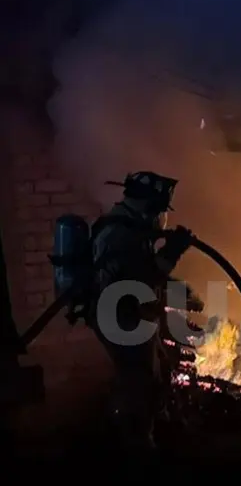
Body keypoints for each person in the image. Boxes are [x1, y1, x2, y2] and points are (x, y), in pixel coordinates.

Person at [90, 171, 193, 454]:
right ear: (147, 205)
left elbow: (143, 274)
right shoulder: (120, 234)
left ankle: (151, 431)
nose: (160, 216)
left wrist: (178, 289)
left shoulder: (131, 227)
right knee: (138, 379)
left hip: (133, 315)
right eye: (159, 209)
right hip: (120, 317)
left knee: (153, 371)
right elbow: (142, 280)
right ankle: (136, 446)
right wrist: (172, 251)